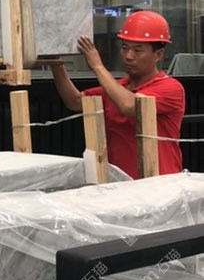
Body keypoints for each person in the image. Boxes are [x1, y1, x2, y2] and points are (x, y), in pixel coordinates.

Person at [51, 10, 184, 179]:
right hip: (119, 183)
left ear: (158, 54)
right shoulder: (118, 87)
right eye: (124, 48)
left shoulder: (170, 88)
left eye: (138, 50)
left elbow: (129, 105)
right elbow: (75, 101)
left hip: (160, 184)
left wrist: (97, 66)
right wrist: (56, 64)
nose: (128, 56)